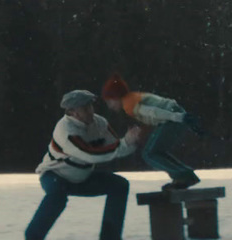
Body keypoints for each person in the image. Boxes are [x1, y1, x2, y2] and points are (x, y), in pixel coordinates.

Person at [27, 89, 146, 240]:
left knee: (120, 185)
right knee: (57, 197)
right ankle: (32, 237)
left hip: (82, 177)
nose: (90, 111)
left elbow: (116, 148)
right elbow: (91, 155)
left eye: (91, 107)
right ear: (72, 112)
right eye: (85, 109)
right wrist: (125, 142)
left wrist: (133, 141)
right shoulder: (65, 130)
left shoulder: (100, 123)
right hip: (56, 176)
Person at [100, 72, 205, 190]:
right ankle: (184, 175)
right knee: (155, 151)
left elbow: (153, 112)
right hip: (171, 114)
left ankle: (184, 176)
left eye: (109, 102)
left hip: (170, 116)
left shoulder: (128, 104)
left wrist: (179, 117)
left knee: (149, 153)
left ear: (116, 97)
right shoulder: (132, 98)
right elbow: (152, 117)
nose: (110, 106)